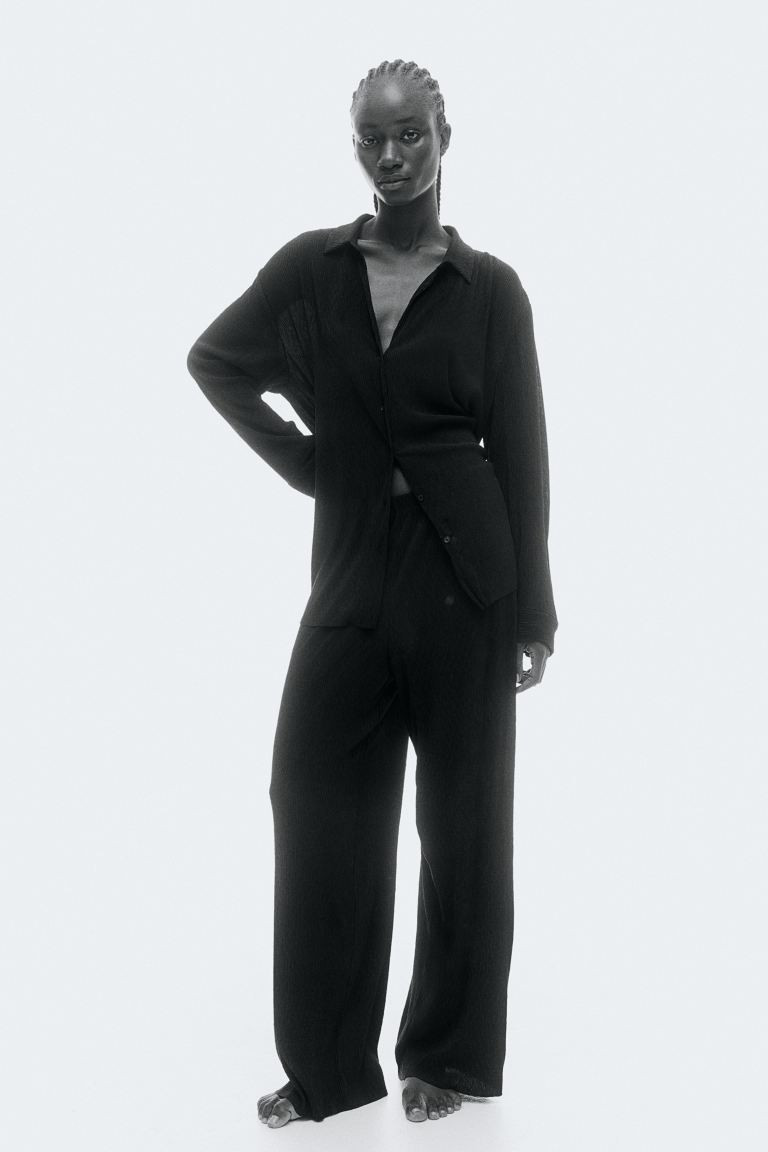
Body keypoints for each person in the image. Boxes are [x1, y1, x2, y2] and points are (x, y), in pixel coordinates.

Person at [186, 58, 558, 1128]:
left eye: (409, 135)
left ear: (445, 137)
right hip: (352, 571)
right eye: (371, 139)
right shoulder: (312, 270)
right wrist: (314, 463)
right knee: (312, 802)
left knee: (464, 825)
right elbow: (217, 361)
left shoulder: (491, 289)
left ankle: (446, 1054)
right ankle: (327, 1070)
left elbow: (523, 453)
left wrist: (532, 611)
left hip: (465, 581)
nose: (390, 157)